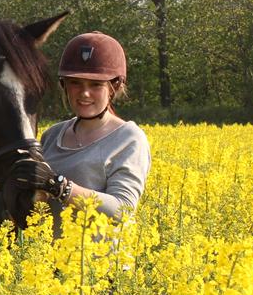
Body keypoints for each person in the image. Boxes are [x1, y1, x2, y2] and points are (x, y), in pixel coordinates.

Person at [13, 31, 151, 232]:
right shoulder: (51, 136)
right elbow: (39, 208)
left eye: (95, 84)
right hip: (49, 261)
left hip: (99, 263)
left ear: (115, 86)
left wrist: (61, 188)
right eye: (75, 82)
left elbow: (123, 210)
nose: (84, 93)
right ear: (64, 85)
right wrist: (6, 203)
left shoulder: (128, 139)